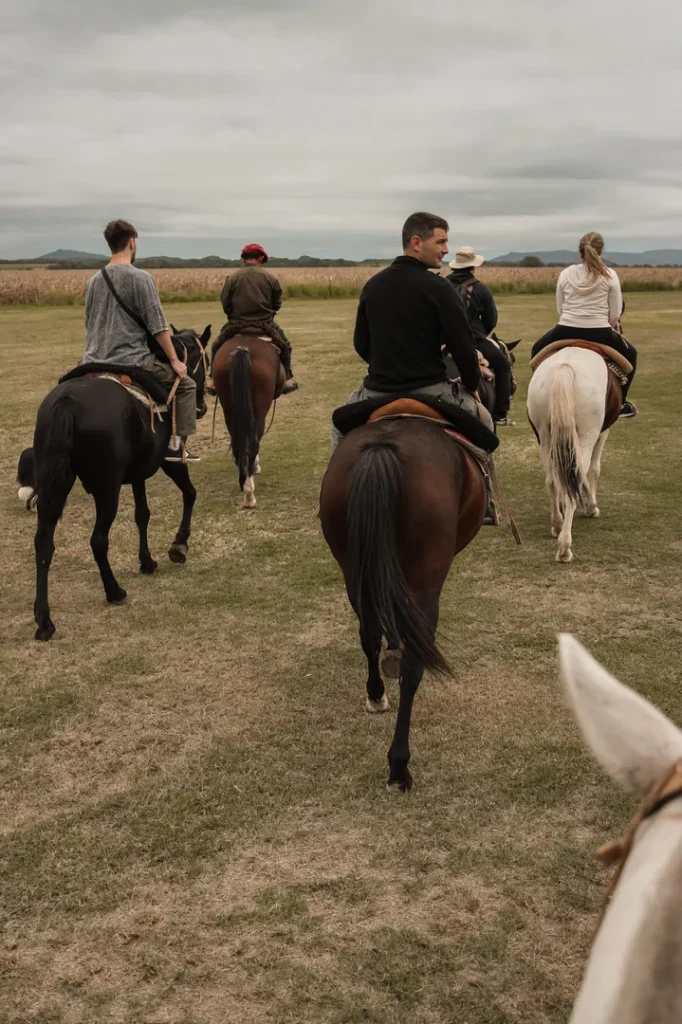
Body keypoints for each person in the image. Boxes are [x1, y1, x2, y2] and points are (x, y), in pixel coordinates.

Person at [82, 219, 199, 461]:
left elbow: (89, 322)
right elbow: (158, 326)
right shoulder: (140, 278)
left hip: (92, 360)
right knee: (187, 386)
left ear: (110, 244)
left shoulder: (94, 280)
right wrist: (175, 361)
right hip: (131, 360)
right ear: (132, 243)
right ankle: (176, 447)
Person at [531, 232, 638, 417]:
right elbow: (615, 313)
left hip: (564, 329)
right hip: (600, 331)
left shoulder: (566, 273)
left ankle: (536, 396)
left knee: (536, 350)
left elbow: (560, 307)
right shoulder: (610, 275)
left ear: (579, 250)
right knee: (632, 355)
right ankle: (622, 404)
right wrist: (608, 323)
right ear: (602, 250)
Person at [446, 246, 516, 426]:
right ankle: (500, 414)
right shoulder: (481, 289)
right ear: (472, 267)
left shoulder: (442, 285)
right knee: (503, 366)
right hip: (474, 339)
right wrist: (479, 333)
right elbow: (491, 320)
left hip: (443, 340)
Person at [219, 243, 298, 393]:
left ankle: (212, 380)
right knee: (285, 346)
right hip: (265, 324)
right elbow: (277, 303)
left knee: (216, 346)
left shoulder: (233, 278)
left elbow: (225, 301)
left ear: (243, 258)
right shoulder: (270, 278)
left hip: (237, 323)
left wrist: (232, 316)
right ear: (261, 258)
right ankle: (287, 378)